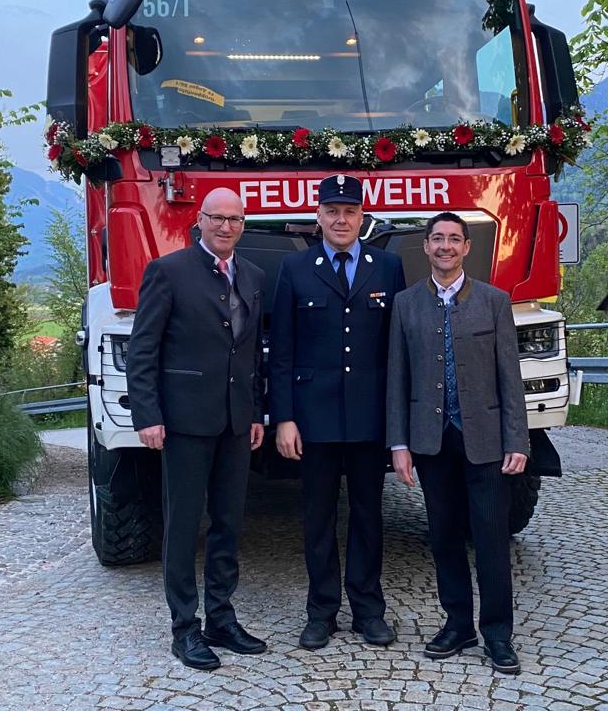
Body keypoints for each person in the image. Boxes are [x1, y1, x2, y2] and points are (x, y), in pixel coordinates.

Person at [126, 187, 266, 671]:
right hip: (184, 420)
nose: (226, 227)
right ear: (200, 220)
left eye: (235, 219)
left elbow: (252, 352)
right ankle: (184, 627)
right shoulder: (168, 271)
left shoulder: (253, 276)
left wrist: (256, 412)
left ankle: (221, 619)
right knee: (185, 525)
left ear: (243, 225)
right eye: (217, 218)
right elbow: (143, 349)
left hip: (236, 421)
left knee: (229, 523)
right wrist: (147, 415)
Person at [386, 211, 529, 675]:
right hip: (431, 442)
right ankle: (458, 624)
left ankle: (498, 634)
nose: (445, 246)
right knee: (444, 537)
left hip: (486, 441)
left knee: (490, 540)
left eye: (453, 239)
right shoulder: (406, 304)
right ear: (425, 247)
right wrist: (399, 443)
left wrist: (518, 439)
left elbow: (510, 377)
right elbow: (397, 378)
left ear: (467, 247)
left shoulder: (494, 301)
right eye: (437, 239)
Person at [268, 173, 406, 650]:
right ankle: (321, 612)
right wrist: (284, 418)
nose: (341, 219)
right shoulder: (295, 268)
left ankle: (368, 611)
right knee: (318, 518)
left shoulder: (387, 266)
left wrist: (397, 421)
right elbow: (282, 350)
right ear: (318, 217)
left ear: (362, 216)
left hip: (369, 416)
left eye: (349, 211)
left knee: (368, 516)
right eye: (332, 211)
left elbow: (395, 350)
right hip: (314, 417)